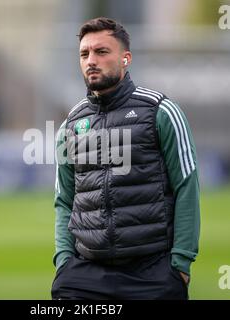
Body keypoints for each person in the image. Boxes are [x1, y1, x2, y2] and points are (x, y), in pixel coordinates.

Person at [51, 17, 200, 300]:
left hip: (152, 271)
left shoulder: (161, 111)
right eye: (84, 54)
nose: (91, 60)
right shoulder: (71, 124)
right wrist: (64, 262)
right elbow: (64, 199)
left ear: (125, 58)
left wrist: (180, 263)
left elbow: (187, 185)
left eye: (101, 52)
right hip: (85, 273)